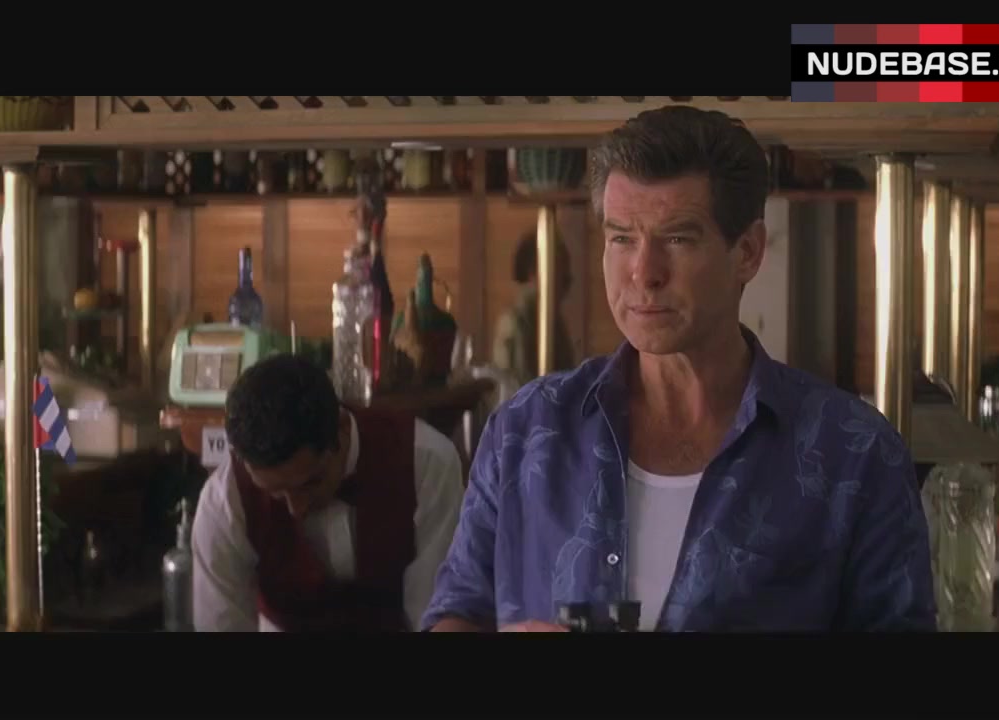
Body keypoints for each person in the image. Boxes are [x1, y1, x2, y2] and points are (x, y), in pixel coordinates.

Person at [422, 106, 936, 632]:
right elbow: (456, 610)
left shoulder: (855, 455)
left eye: (677, 239)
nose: (644, 273)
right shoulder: (524, 431)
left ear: (748, 252)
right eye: (622, 238)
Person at [191, 353, 465, 631]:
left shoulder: (426, 464)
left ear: (342, 427)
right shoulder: (224, 504)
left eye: (310, 483)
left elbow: (436, 614)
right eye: (275, 492)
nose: (296, 509)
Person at [490, 231, 576, 384]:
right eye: (560, 269)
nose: (567, 280)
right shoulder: (515, 325)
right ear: (536, 271)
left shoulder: (553, 321)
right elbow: (520, 389)